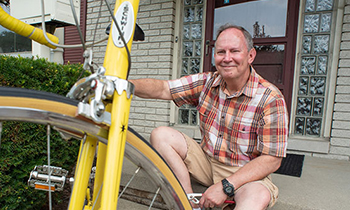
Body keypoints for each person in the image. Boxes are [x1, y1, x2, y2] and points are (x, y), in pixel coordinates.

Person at [130, 23, 288, 210]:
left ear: (250, 55)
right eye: (221, 52)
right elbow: (164, 88)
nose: (227, 58)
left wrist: (225, 186)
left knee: (257, 197)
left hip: (244, 173)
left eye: (234, 51)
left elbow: (272, 159)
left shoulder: (270, 98)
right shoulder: (207, 82)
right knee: (161, 135)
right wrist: (124, 84)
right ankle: (187, 200)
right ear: (214, 56)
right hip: (206, 162)